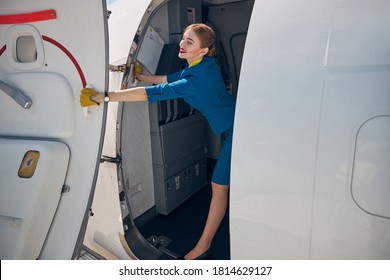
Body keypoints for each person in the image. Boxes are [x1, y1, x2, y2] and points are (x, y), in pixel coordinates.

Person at [80, 23, 236, 260]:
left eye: (190, 42)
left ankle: (203, 245)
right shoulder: (203, 65)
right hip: (233, 120)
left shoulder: (196, 79)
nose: (182, 44)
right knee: (222, 186)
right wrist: (140, 74)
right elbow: (168, 78)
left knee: (219, 188)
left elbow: (150, 93)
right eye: (184, 38)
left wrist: (105, 97)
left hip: (234, 131)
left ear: (204, 50)